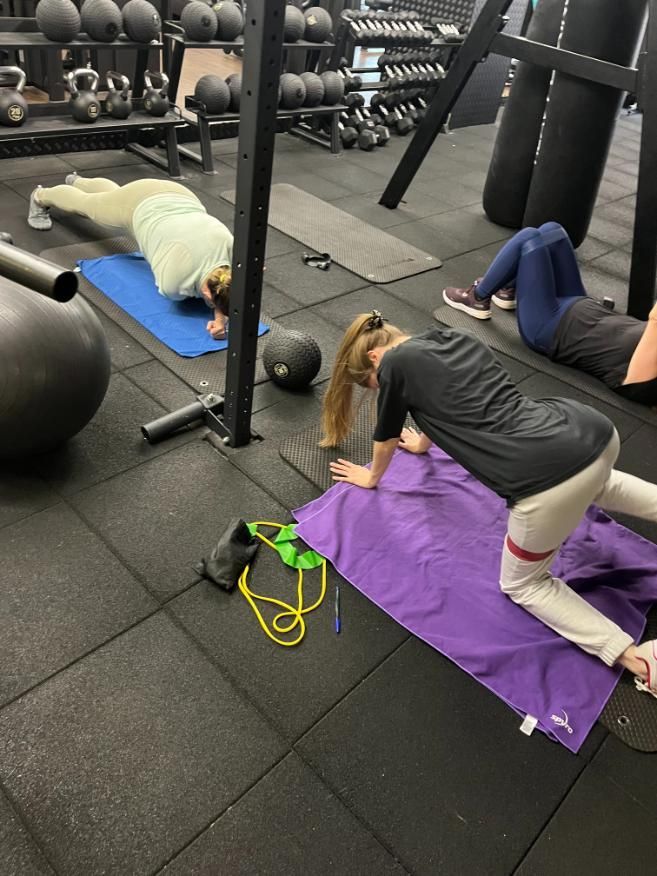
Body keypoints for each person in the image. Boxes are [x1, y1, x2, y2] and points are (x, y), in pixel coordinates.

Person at [320, 310, 657, 697]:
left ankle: (638, 659)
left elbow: (386, 435)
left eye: (373, 385)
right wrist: (423, 443)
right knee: (594, 480)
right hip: (590, 431)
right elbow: (445, 400)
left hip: (545, 480)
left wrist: (372, 476)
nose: (380, 388)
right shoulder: (453, 339)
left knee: (523, 584)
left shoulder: (392, 364)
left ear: (375, 359)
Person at [442, 222, 657, 406]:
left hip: (549, 326)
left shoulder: (639, 382)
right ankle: (510, 287)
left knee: (530, 239)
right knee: (553, 231)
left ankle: (476, 298)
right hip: (579, 301)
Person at [28, 175, 232, 340]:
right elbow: (181, 297)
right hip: (138, 204)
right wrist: (219, 316)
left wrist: (220, 312)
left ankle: (77, 180)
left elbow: (219, 287)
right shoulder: (175, 282)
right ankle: (39, 195)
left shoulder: (234, 250)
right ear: (206, 293)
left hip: (180, 194)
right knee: (88, 205)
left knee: (113, 197)